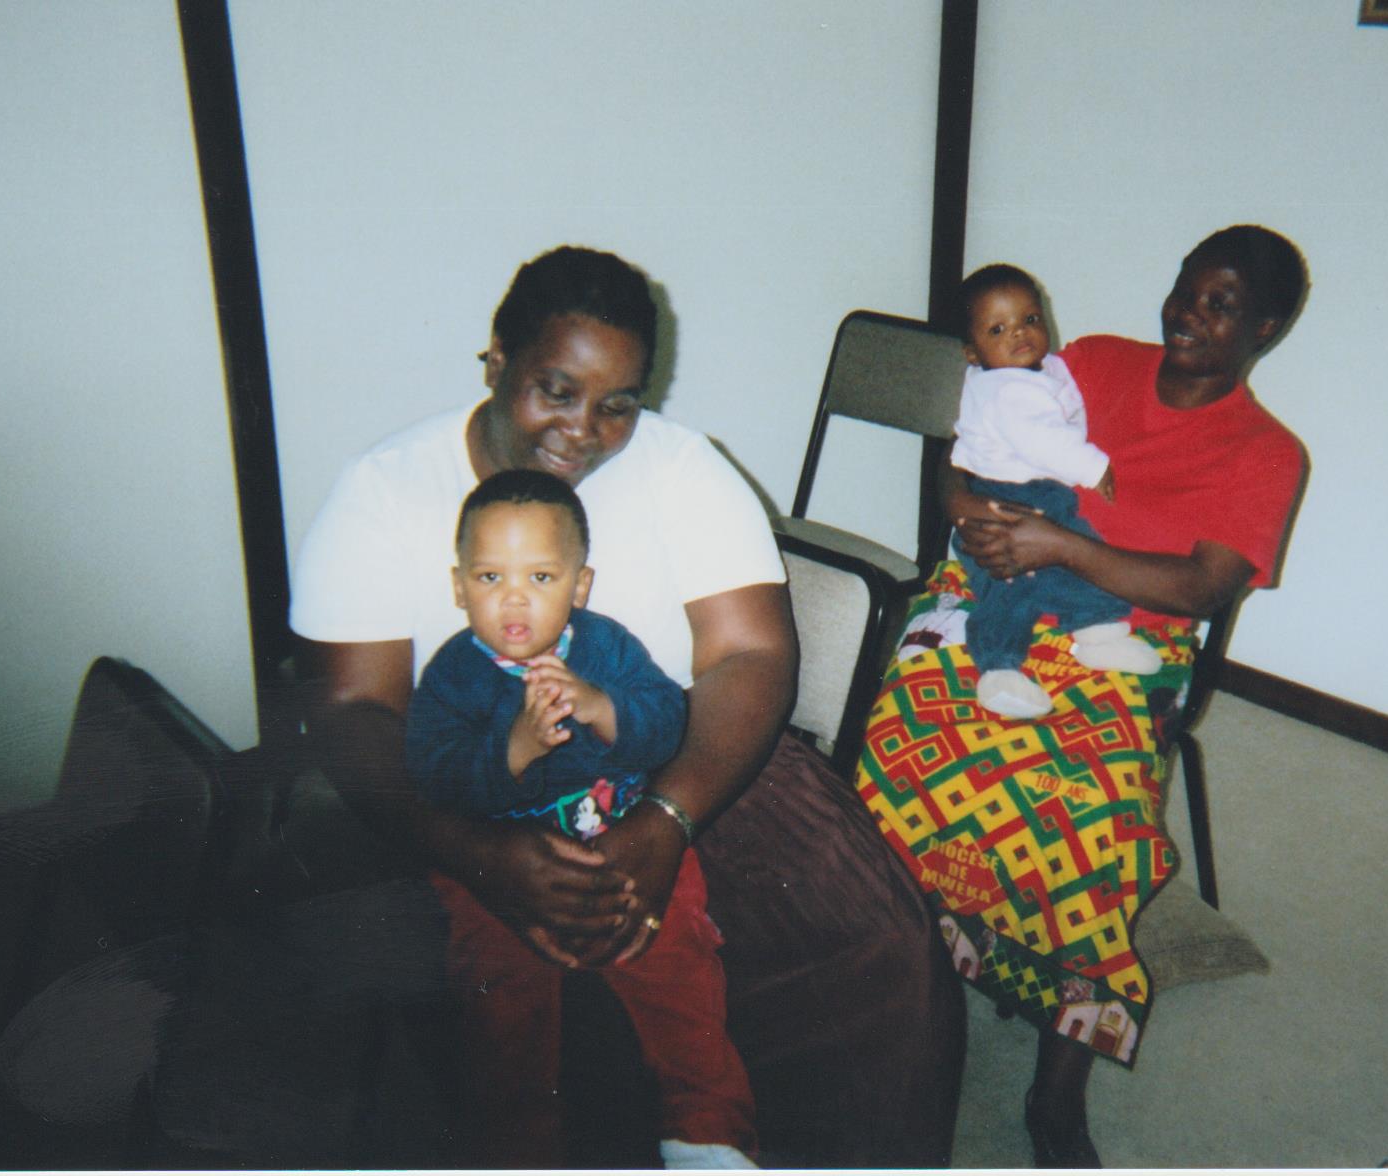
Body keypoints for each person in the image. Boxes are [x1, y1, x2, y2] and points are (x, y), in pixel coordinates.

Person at [290, 245, 964, 1167]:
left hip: (674, 741)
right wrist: (477, 852)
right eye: (556, 391)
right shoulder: (382, 492)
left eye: (617, 404)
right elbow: (351, 711)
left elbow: (753, 655)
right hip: (469, 782)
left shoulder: (683, 470)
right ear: (497, 363)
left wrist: (668, 819)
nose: (583, 430)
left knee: (879, 938)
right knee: (523, 1028)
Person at [857, 226, 1309, 1166]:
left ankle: (1057, 1088)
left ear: (1265, 328)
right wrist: (973, 518)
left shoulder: (1266, 452)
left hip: (1135, 635)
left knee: (1089, 804)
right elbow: (967, 450)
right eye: (1185, 290)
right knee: (900, 739)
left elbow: (1201, 588)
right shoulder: (1092, 363)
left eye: (1220, 305)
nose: (1188, 315)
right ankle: (897, 984)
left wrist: (1061, 546)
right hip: (997, 586)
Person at [404, 469, 757, 1169]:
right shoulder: (453, 675)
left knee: (682, 970)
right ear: (458, 587)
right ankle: (518, 1141)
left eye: (540, 577)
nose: (514, 598)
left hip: (619, 838)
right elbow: (433, 775)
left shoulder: (606, 647)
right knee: (499, 995)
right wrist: (513, 750)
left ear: (580, 585)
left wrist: (601, 707)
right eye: (490, 577)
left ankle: (705, 1128)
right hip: (503, 865)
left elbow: (668, 721)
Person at [949, 262, 1162, 719]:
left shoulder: (1030, 371)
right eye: (998, 329)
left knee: (1076, 559)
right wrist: (1093, 467)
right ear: (972, 352)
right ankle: (998, 670)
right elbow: (1042, 439)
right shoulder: (1007, 389)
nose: (1019, 333)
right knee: (1009, 583)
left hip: (1036, 493)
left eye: (1030, 319)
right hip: (1009, 497)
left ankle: (1098, 632)